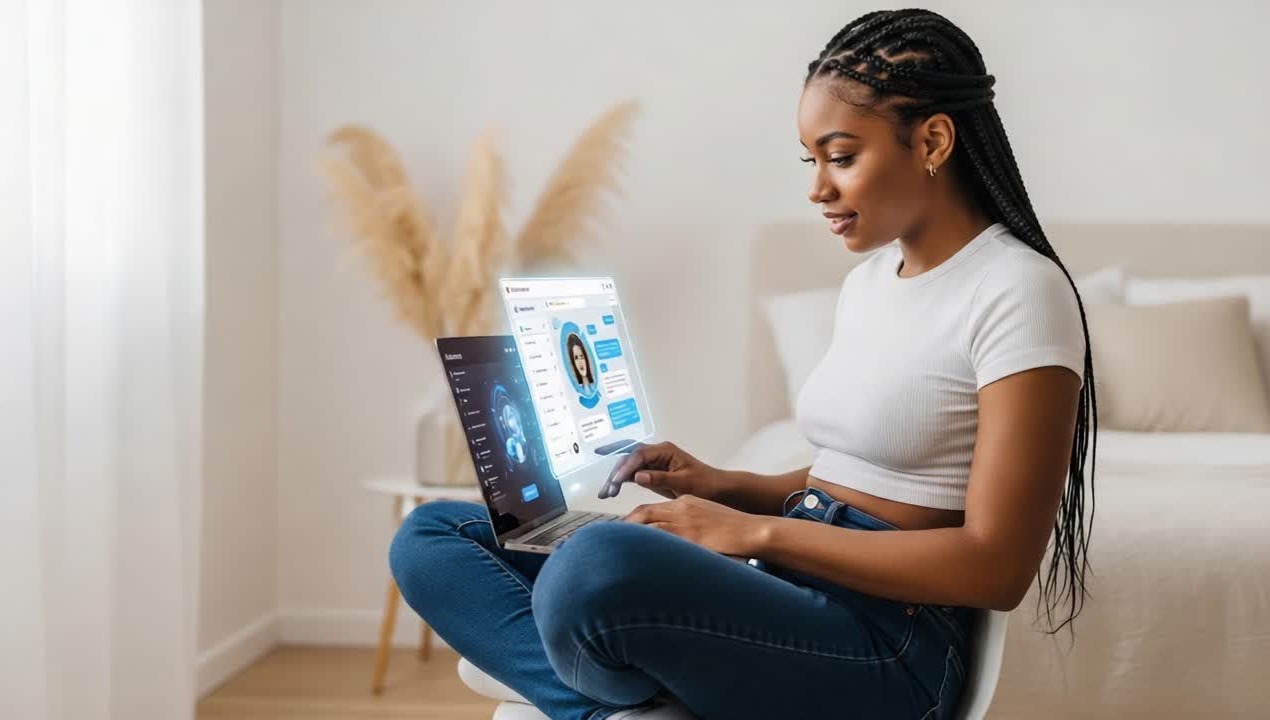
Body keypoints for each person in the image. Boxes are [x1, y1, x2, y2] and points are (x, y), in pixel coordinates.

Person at [389, 9, 1096, 720]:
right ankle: (628, 710)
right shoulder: (870, 285)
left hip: (889, 645)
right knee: (431, 538)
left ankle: (633, 701)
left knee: (592, 569)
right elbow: (851, 475)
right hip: (789, 588)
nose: (817, 187)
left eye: (841, 156)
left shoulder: (1018, 290)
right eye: (809, 160)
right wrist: (721, 484)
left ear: (933, 139)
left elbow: (996, 565)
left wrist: (753, 530)